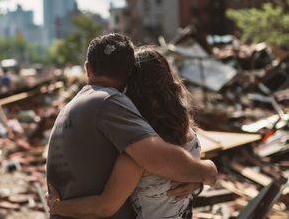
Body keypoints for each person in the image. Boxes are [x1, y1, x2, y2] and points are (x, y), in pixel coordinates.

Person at [46, 33, 217, 218]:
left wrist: (56, 207)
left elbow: (106, 203)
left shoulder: (75, 106)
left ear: (88, 68)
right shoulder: (186, 134)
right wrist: (207, 173)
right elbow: (160, 159)